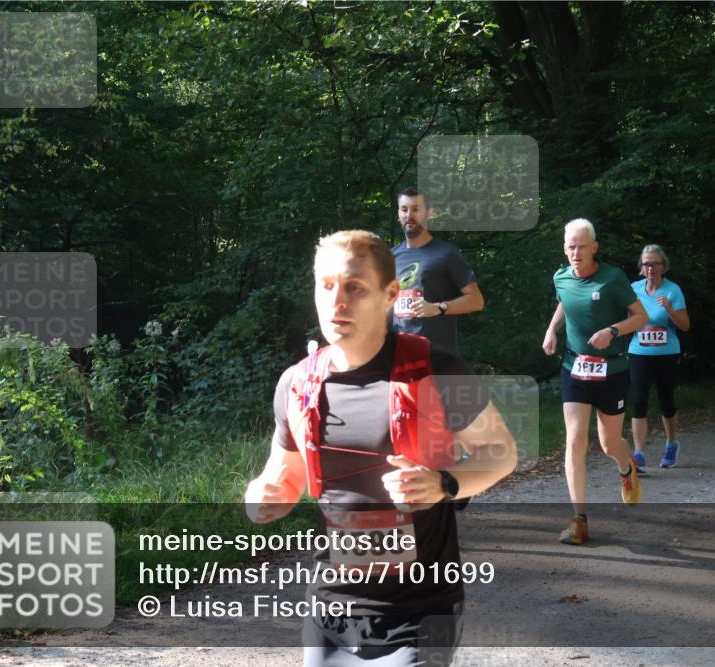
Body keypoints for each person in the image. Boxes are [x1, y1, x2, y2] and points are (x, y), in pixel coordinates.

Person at [245, 230, 516, 666]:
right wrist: (260, 498)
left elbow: (500, 452)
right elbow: (283, 474)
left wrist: (445, 482)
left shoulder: (440, 370)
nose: (337, 302)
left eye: (355, 287)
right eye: (327, 285)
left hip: (423, 607)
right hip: (331, 606)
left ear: (391, 293)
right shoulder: (296, 383)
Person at [542, 219, 649, 546]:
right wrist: (551, 330)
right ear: (565, 248)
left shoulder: (613, 278)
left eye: (582, 246)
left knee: (608, 443)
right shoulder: (561, 277)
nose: (576, 252)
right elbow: (566, 301)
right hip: (575, 367)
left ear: (594, 247)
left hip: (611, 369)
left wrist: (612, 331)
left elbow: (641, 317)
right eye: (570, 247)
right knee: (574, 439)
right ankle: (579, 519)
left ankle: (625, 465)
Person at [392, 187, 485, 354]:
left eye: (416, 209)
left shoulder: (446, 253)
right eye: (404, 209)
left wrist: (438, 308)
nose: (409, 215)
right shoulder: (390, 257)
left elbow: (477, 301)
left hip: (437, 358)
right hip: (399, 356)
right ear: (398, 213)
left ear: (429, 213)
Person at [628, 244, 690, 472]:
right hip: (638, 352)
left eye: (655, 263)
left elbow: (685, 325)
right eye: (646, 264)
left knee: (666, 401)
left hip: (666, 354)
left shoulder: (673, 290)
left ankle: (671, 443)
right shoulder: (633, 290)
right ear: (641, 268)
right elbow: (625, 320)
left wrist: (671, 310)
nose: (650, 267)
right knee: (639, 402)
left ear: (663, 267)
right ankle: (639, 454)